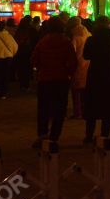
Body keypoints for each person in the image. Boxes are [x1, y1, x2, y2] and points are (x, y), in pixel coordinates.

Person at [31, 17, 77, 147]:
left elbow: (34, 59)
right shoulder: (66, 42)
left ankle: (42, 134)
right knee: (60, 109)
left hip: (44, 79)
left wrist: (40, 68)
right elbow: (73, 62)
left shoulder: (43, 42)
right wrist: (69, 73)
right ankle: (54, 136)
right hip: (61, 79)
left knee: (43, 108)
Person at [83, 16, 110, 143]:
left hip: (95, 73)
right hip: (109, 73)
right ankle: (105, 135)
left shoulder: (91, 39)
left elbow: (86, 55)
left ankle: (89, 136)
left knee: (92, 105)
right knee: (108, 106)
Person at [67, 17, 90, 119]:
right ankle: (86, 111)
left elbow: (71, 52)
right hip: (88, 64)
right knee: (85, 90)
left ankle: (78, 112)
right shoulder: (89, 35)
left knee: (76, 90)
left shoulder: (75, 37)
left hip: (78, 65)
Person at [13, 16, 37, 91]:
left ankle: (22, 84)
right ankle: (26, 85)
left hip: (19, 51)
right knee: (27, 68)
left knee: (21, 68)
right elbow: (35, 41)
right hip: (28, 51)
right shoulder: (32, 30)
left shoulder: (19, 30)